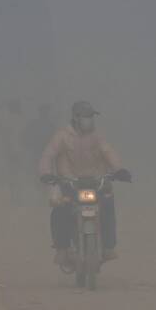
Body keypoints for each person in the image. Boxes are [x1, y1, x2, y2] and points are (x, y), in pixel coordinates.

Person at [38, 101, 124, 265]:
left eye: (91, 116)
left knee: (107, 205)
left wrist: (119, 170)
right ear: (76, 118)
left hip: (96, 182)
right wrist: (46, 174)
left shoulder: (97, 137)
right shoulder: (62, 136)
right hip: (69, 183)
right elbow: (48, 155)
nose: (89, 120)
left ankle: (108, 247)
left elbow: (109, 152)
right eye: (86, 116)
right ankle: (62, 249)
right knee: (60, 210)